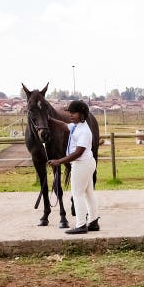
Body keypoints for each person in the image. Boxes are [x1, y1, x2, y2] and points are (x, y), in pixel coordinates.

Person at [48, 100, 99, 234]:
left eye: (74, 113)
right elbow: (65, 126)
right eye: (70, 112)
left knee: (77, 194)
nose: (71, 115)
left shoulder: (84, 131)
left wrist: (59, 161)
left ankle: (81, 224)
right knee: (88, 193)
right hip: (87, 163)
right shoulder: (77, 126)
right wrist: (50, 119)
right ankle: (93, 222)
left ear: (82, 114)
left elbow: (78, 153)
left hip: (81, 164)